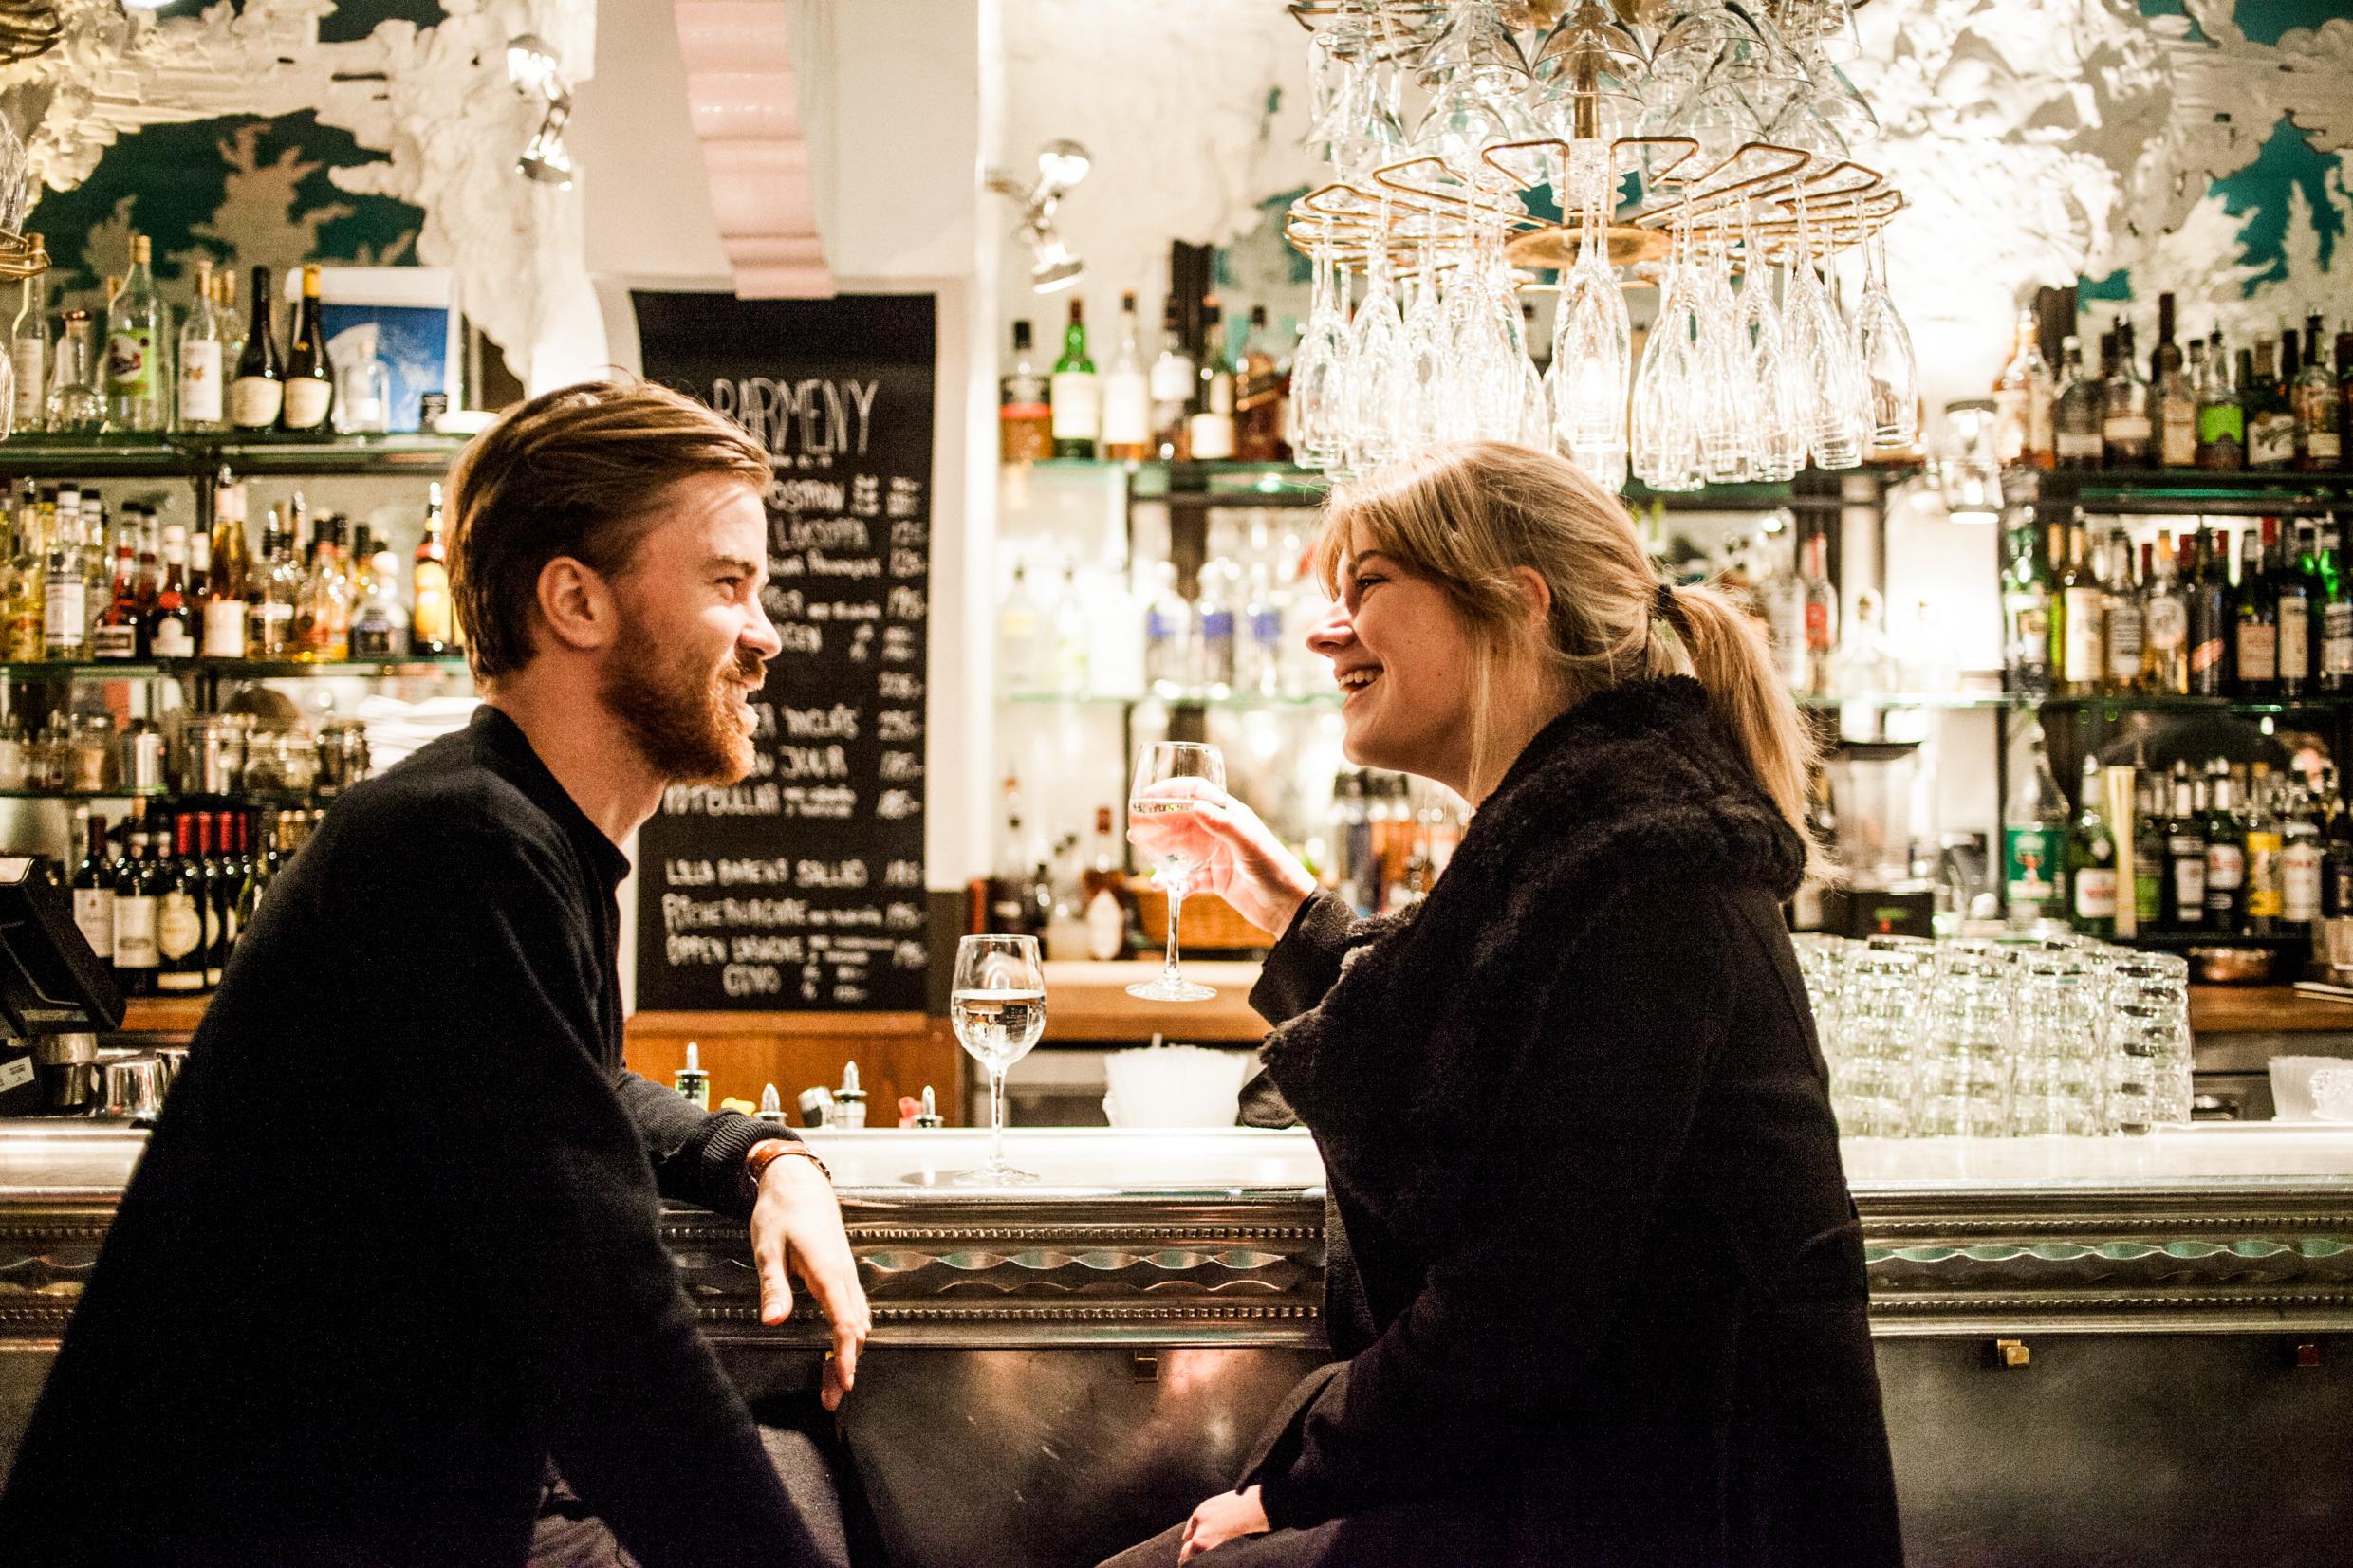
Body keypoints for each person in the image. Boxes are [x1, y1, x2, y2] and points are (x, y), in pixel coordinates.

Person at [0, 382, 872, 1567]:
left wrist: (758, 1156)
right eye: (729, 583)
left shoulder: (499, 825)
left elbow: (556, 1093)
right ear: (576, 599)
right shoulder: (458, 845)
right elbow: (605, 1329)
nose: (765, 634)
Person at [1103, 442, 1903, 1567]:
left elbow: (1519, 1305)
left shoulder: (1637, 866)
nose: (1327, 632)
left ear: (1515, 603)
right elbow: (1471, 1021)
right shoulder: (1602, 836)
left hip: (1673, 1519)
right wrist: (1287, 907)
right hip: (1601, 1490)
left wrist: (1290, 1483)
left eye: (1368, 586)